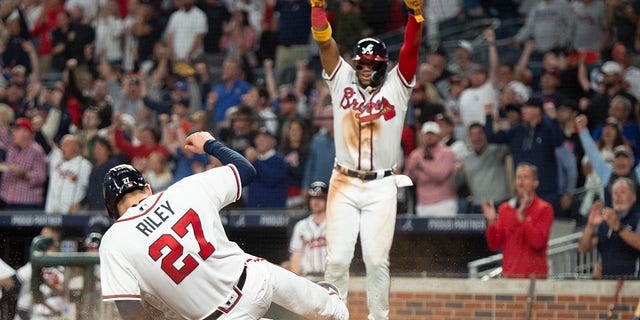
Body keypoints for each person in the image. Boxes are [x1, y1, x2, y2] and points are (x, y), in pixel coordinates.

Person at [100, 131, 348, 319]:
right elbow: (246, 170)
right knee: (329, 305)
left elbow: (131, 311)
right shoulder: (184, 189)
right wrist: (209, 143)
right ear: (147, 188)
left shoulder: (114, 241)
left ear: (113, 212)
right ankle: (332, 305)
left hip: (221, 318)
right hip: (254, 280)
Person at [310, 0, 422, 317]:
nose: (364, 69)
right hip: (343, 180)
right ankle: (334, 315)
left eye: (371, 64)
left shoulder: (397, 88)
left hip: (381, 184)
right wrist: (317, 8)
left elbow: (411, 52)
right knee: (337, 259)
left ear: (382, 66)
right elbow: (324, 42)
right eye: (361, 64)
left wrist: (415, 17)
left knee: (376, 260)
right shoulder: (341, 79)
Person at [482, 162, 555, 279]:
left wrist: (522, 218)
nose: (521, 182)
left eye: (526, 177)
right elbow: (494, 245)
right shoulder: (505, 209)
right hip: (510, 277)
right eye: (518, 177)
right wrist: (491, 223)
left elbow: (538, 243)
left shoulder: (545, 209)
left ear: (535, 183)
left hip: (535, 279)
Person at [578, 177, 640, 278]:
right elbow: (583, 248)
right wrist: (590, 225)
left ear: (633, 197)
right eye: (615, 193)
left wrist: (618, 227)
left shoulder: (637, 218)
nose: (618, 196)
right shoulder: (605, 220)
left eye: (623, 192)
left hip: (634, 283)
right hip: (607, 282)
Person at [404, 121, 458, 216]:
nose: (429, 137)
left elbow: (441, 175)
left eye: (432, 134)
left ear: (438, 135)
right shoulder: (416, 154)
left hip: (444, 203)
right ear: (422, 136)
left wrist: (421, 166)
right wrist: (410, 169)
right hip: (423, 204)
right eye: (427, 134)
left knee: (445, 231)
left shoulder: (447, 152)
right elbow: (410, 179)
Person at [289, 181, 329, 281]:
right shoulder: (301, 226)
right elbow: (296, 255)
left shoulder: (334, 225)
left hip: (329, 277)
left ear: (327, 201)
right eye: (313, 198)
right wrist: (295, 279)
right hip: (308, 278)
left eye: (320, 198)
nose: (316, 202)